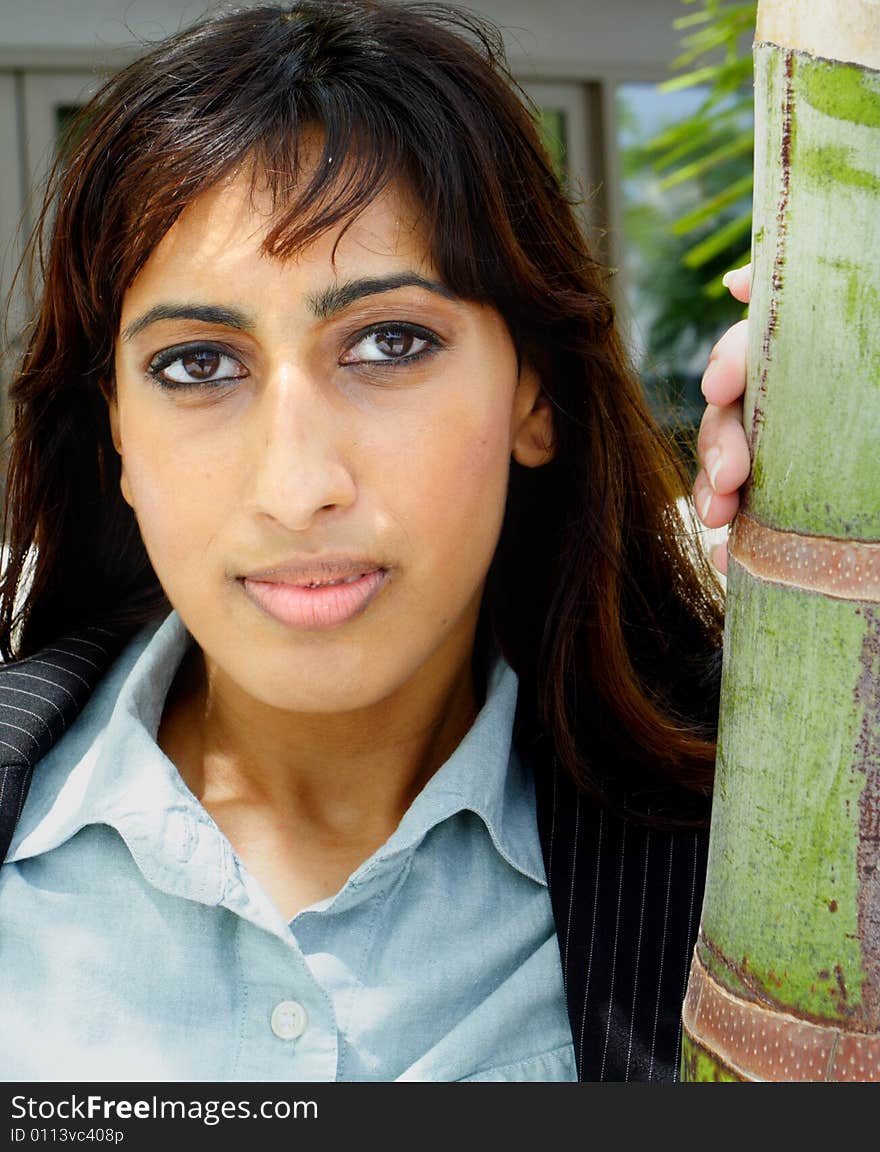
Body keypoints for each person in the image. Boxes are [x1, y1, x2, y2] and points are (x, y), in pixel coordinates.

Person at [0, 0, 751, 1082]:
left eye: (389, 343)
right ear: (117, 427)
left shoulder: (761, 857)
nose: (299, 487)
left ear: (535, 392)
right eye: (198, 365)